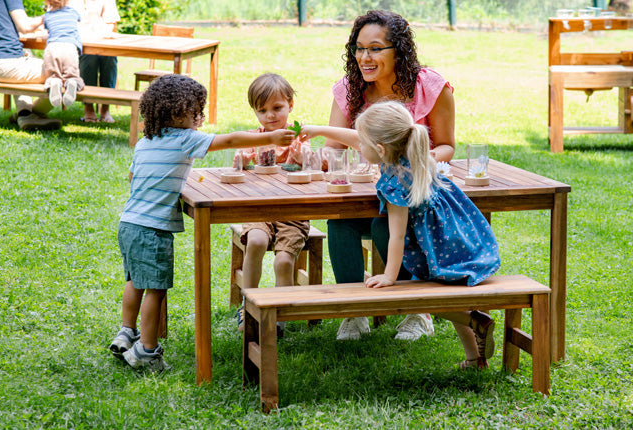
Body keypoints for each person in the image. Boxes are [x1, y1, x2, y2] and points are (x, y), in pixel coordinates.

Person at [109, 74, 295, 372]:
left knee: (135, 281)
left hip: (129, 222)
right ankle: (146, 350)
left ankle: (126, 331)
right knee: (155, 288)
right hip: (153, 229)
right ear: (178, 114)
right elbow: (231, 140)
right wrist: (270, 138)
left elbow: (133, 177)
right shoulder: (184, 138)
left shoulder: (147, 141)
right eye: (196, 110)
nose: (200, 117)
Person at [302, 101, 501, 368]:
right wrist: (316, 130)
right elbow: (360, 139)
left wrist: (389, 276)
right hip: (457, 237)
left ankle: (475, 320)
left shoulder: (396, 181)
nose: (359, 147)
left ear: (381, 149)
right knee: (446, 292)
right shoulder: (410, 152)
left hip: (438, 247)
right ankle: (475, 360)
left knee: (423, 294)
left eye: (363, 145)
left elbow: (396, 236)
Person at [323, 10, 456, 341]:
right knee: (339, 223)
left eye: (375, 48)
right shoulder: (349, 89)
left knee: (385, 226)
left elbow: (446, 147)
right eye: (358, 48)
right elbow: (333, 150)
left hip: (412, 195)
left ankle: (416, 310)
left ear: (399, 50)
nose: (364, 57)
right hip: (364, 192)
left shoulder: (431, 87)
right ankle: (354, 310)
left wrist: (408, 163)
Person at [233, 73, 311, 337]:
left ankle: (279, 317)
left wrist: (304, 159)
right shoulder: (253, 140)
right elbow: (237, 168)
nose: (270, 116)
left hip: (293, 214)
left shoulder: (298, 140)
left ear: (290, 105)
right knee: (254, 242)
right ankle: (248, 305)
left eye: (277, 108)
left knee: (283, 262)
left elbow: (315, 168)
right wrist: (241, 161)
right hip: (259, 210)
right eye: (262, 110)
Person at [0, 0, 62, 130]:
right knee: (63, 72)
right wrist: (50, 15)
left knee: (23, 61)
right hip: (7, 65)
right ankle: (35, 114)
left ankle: (24, 113)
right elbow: (25, 27)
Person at [71, 0, 120, 123]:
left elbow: (111, 25)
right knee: (89, 58)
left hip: (103, 42)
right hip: (80, 44)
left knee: (110, 58)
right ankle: (89, 108)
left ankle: (105, 108)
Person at [42, 0, 84, 109]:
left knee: (53, 75)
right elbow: (79, 24)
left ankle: (54, 82)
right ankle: (72, 83)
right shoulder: (73, 13)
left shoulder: (47, 16)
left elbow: (47, 28)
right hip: (70, 47)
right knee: (72, 74)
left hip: (52, 48)